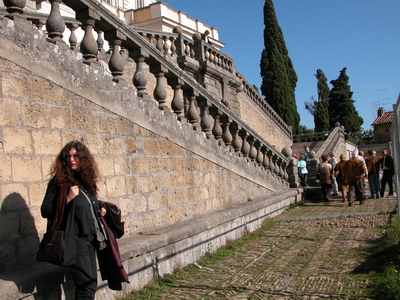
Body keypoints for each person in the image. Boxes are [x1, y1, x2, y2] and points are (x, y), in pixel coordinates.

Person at [41, 141, 128, 299]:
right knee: (86, 287)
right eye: (68, 156)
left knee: (90, 284)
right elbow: (45, 210)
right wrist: (67, 199)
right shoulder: (59, 182)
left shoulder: (84, 181)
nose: (71, 159)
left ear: (83, 158)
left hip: (90, 239)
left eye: (75, 156)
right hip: (74, 240)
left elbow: (85, 206)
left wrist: (100, 210)